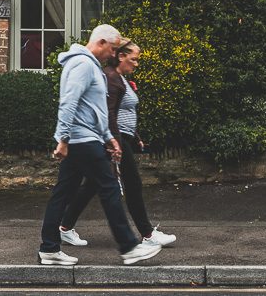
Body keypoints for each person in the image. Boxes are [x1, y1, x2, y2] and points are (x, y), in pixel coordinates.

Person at [38, 25, 163, 267]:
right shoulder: (83, 65)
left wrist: (108, 137)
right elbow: (68, 101)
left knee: (63, 193)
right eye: (113, 48)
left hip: (86, 137)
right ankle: (128, 247)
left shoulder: (90, 66)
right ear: (102, 42)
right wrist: (63, 139)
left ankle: (49, 249)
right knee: (109, 188)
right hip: (82, 139)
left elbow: (94, 109)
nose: (113, 54)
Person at [58, 40, 176, 250]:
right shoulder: (111, 79)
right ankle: (147, 235)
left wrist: (136, 135)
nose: (136, 64)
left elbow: (125, 111)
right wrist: (114, 143)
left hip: (122, 138)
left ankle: (65, 227)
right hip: (116, 139)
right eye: (134, 59)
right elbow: (108, 112)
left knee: (92, 185)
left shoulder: (118, 79)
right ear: (121, 57)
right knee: (132, 185)